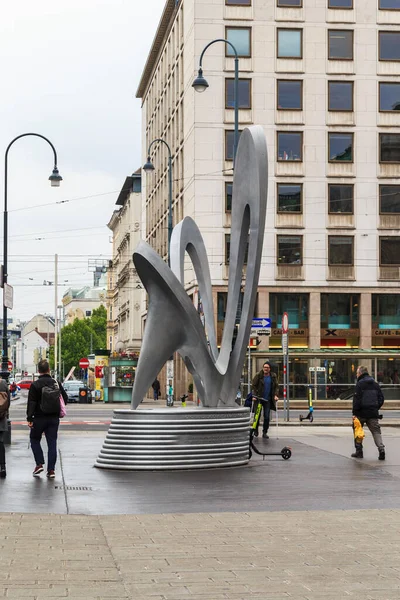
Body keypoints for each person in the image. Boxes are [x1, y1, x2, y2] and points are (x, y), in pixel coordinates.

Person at [27, 359, 68, 478]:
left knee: (34, 439)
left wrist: (29, 418)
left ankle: (39, 464)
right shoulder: (56, 383)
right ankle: (51, 471)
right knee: (52, 443)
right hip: (53, 418)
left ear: (38, 370)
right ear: (49, 369)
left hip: (39, 418)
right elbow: (64, 398)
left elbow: (32, 403)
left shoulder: (35, 385)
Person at [352, 365, 385, 460]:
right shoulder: (375, 384)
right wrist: (375, 407)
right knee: (376, 431)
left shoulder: (359, 384)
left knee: (357, 429)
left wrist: (354, 413)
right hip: (373, 413)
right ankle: (381, 449)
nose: (357, 375)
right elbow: (381, 398)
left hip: (360, 413)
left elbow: (356, 400)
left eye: (357, 373)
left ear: (360, 373)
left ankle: (359, 451)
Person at [251, 361, 279, 439]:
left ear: (269, 369)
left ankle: (265, 432)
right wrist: (254, 395)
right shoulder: (258, 375)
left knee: (266, 417)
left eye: (267, 367)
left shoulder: (273, 376)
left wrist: (276, 395)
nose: (265, 369)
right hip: (259, 399)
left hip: (268, 399)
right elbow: (253, 386)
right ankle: (255, 430)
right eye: (264, 367)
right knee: (257, 416)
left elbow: (276, 386)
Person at [0, 377, 10, 478]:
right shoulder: (3, 383)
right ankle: (3, 467)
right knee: (1, 442)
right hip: (1, 418)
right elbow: (8, 402)